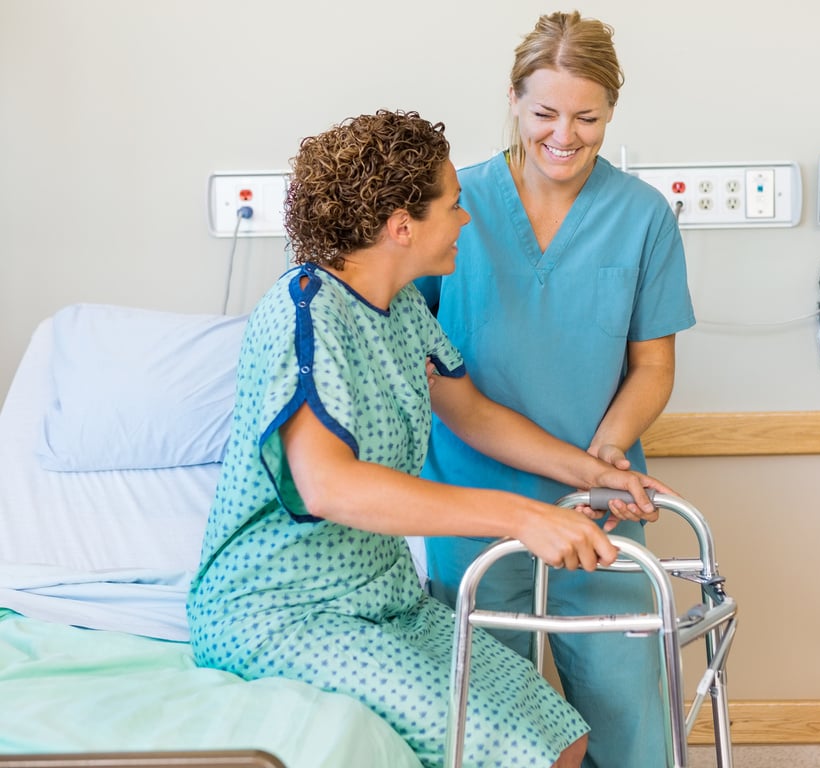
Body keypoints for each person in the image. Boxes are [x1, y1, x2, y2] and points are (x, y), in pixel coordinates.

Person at [185, 109, 672, 768]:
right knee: (512, 751)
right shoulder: (304, 314)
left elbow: (470, 411)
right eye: (453, 205)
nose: (466, 219)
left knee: (563, 737)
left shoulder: (402, 306)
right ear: (402, 226)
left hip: (385, 601)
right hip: (285, 612)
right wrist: (519, 516)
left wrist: (594, 473)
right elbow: (328, 485)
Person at [415, 11, 696, 768]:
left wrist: (606, 453)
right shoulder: (450, 210)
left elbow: (652, 366)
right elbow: (432, 372)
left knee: (627, 713)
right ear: (513, 100)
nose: (563, 135)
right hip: (472, 502)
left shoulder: (640, 216)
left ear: (610, 113)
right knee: (489, 725)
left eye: (586, 117)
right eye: (544, 113)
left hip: (598, 505)